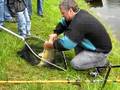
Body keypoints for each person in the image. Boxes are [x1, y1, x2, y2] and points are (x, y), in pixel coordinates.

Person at [43, 0, 112, 70]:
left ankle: (103, 62)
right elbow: (63, 23)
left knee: (75, 64)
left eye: (63, 13)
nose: (62, 15)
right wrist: (56, 33)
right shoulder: (78, 13)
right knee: (71, 35)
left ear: (70, 10)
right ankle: (86, 55)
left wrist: (51, 45)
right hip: (93, 44)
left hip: (101, 51)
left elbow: (67, 44)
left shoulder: (79, 22)